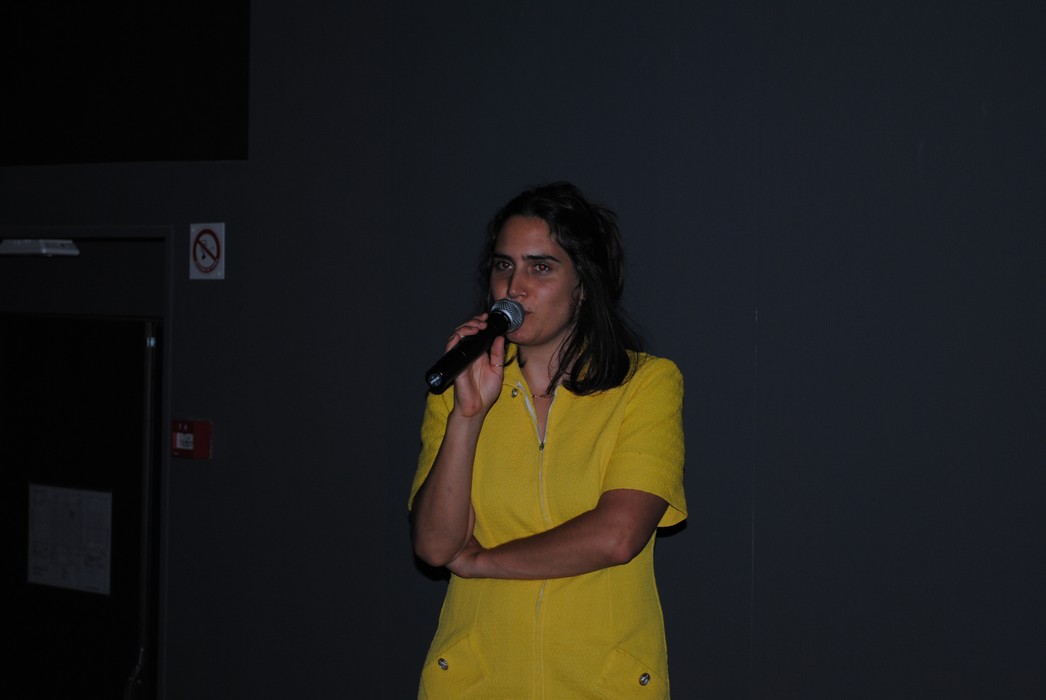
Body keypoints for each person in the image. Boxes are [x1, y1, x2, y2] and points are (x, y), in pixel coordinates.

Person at [409, 181, 686, 698]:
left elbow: (617, 534)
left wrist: (481, 562)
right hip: (476, 683)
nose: (514, 287)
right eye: (504, 265)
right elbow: (435, 545)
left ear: (583, 285)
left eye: (540, 267)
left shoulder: (645, 384)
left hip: (600, 685)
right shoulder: (459, 388)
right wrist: (468, 415)